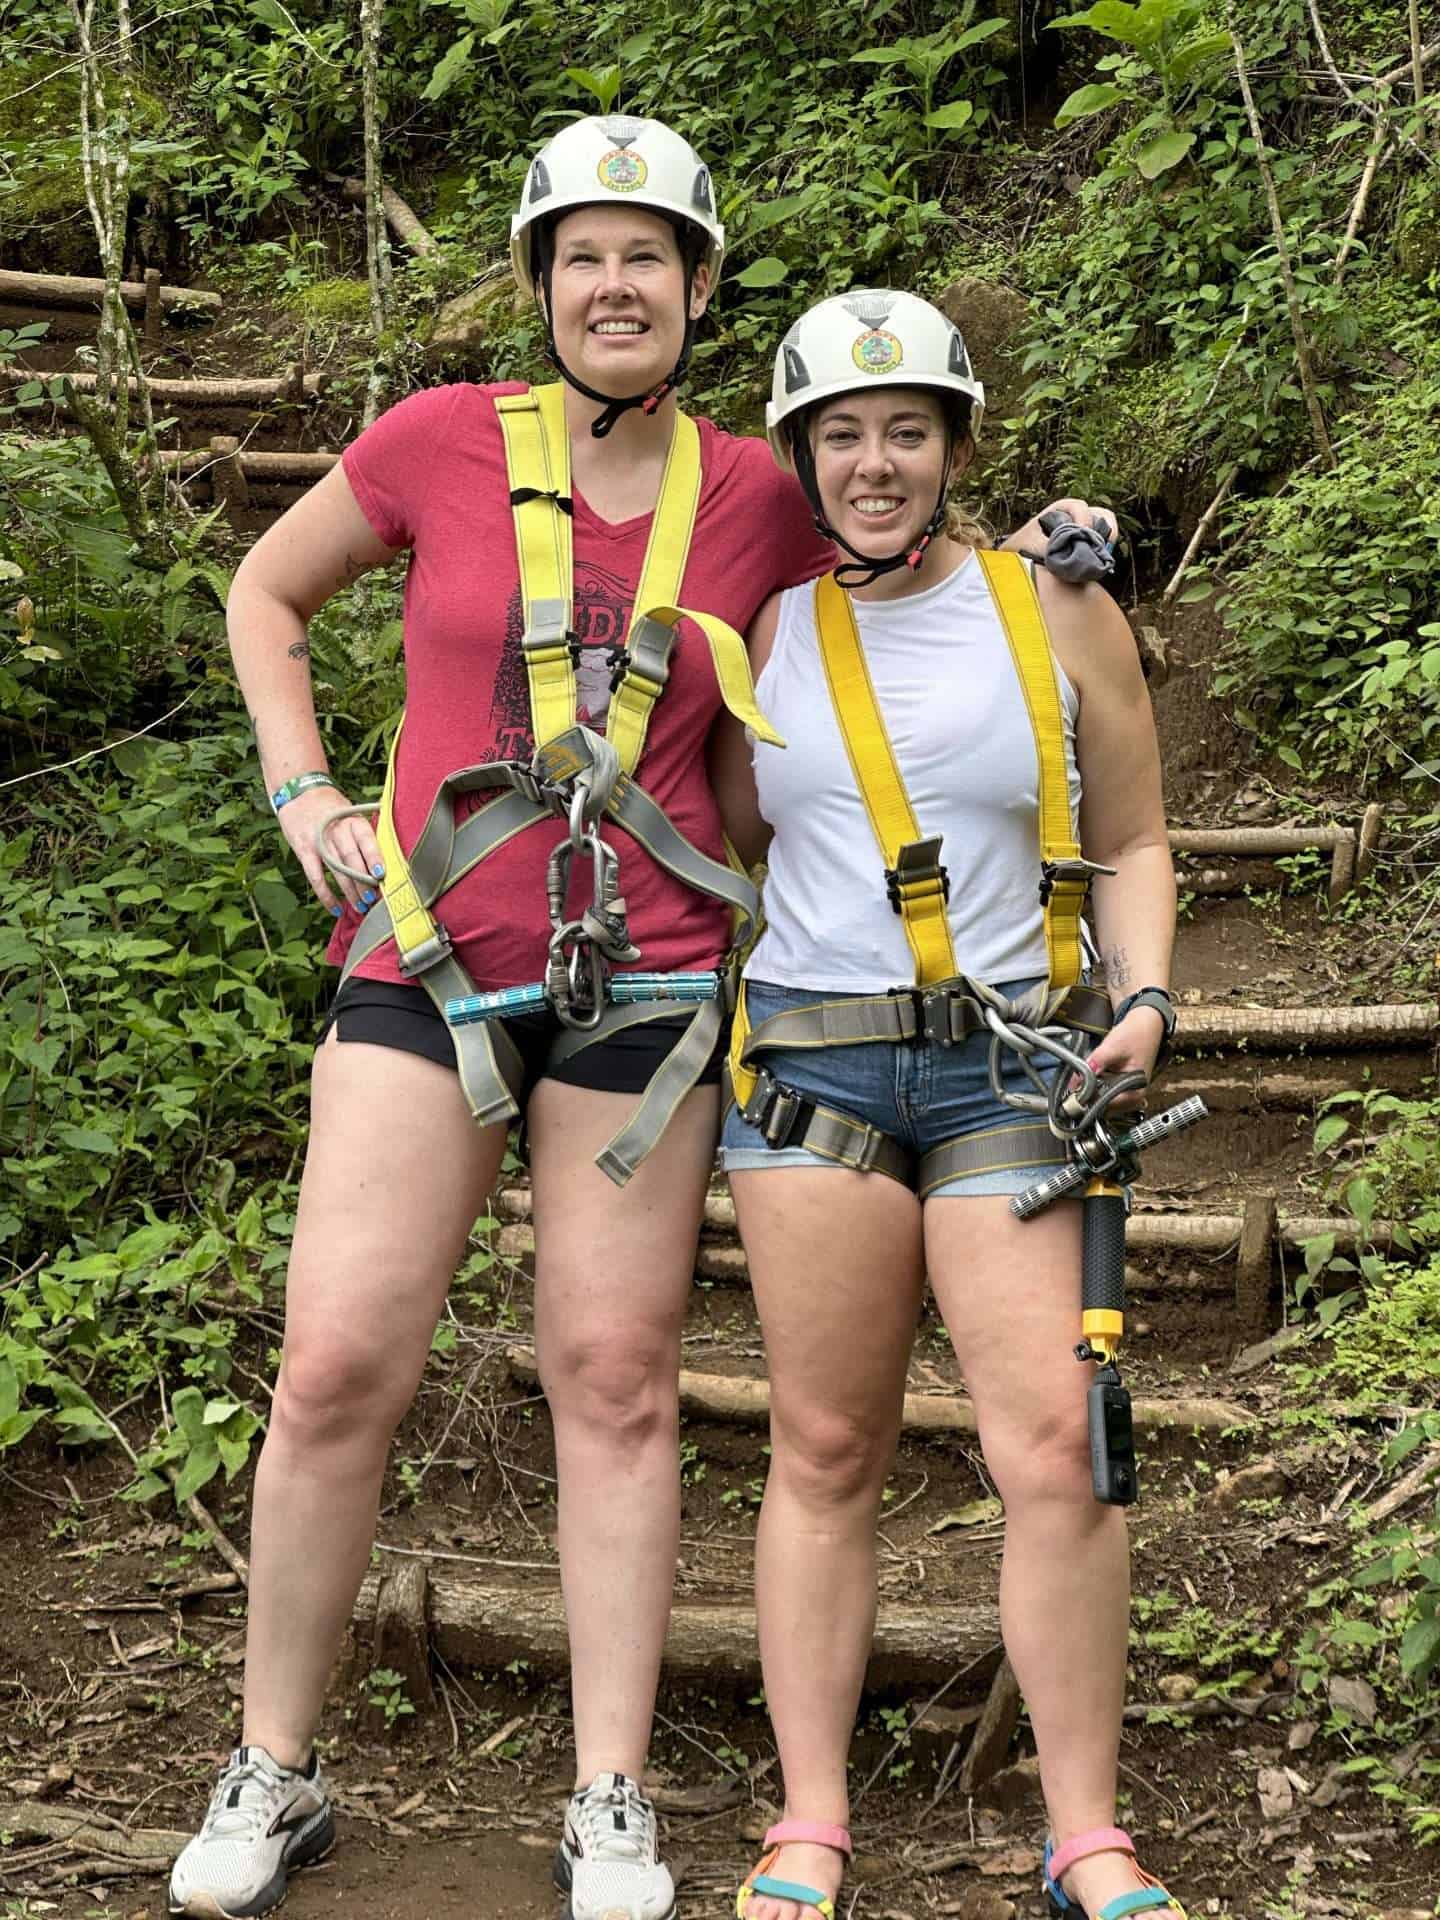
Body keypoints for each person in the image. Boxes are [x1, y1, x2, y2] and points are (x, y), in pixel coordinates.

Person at [166, 115, 1102, 1920]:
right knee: (336, 1362)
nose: (616, 285)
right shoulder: (437, 441)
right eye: (584, 256)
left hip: (649, 981)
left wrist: (1070, 540)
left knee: (614, 1381)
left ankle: (610, 1791)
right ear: (541, 286)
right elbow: (266, 591)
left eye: (648, 258)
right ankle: (272, 1762)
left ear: (692, 289)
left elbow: (904, 555)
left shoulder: (758, 485)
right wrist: (303, 795)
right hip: (424, 959)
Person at [709, 291, 1180, 1920]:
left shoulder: (1050, 605)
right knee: (828, 1444)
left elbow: (1131, 830)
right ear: (801, 460)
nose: (875, 461)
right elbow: (714, 835)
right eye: (842, 434)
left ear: (957, 446)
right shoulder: (753, 626)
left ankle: (1086, 1831)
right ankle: (811, 1819)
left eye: (907, 428)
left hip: (1008, 1064)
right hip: (815, 1063)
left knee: (1055, 1447)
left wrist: (1148, 994)